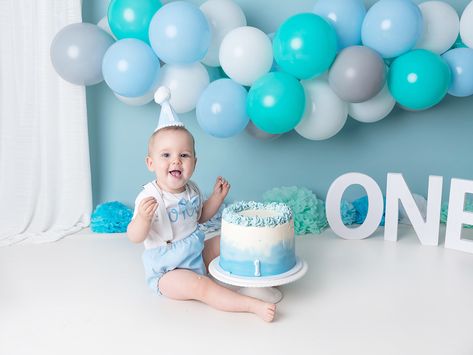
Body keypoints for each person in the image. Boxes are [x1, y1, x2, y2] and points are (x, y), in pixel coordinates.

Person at [126, 87, 276, 322]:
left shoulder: (192, 189)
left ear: (194, 163)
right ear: (150, 163)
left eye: (183, 155)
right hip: (168, 271)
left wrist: (217, 198)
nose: (176, 160)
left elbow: (200, 216)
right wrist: (143, 220)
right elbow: (134, 236)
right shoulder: (150, 197)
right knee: (201, 287)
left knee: (227, 241)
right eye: (166, 155)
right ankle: (249, 304)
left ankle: (260, 273)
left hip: (194, 252)